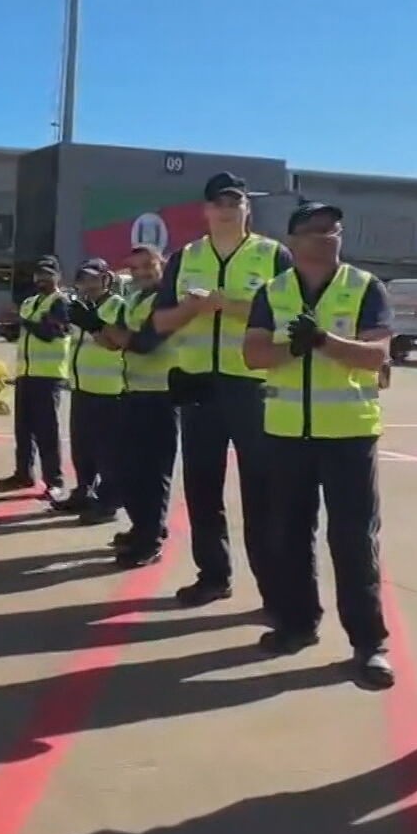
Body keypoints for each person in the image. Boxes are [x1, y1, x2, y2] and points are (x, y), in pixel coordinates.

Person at [244, 202, 395, 689]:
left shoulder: (365, 287)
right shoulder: (273, 292)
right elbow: (254, 354)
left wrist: (326, 341)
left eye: (334, 228)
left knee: (353, 542)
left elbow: (378, 357)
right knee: (289, 534)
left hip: (348, 433)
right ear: (293, 241)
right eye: (314, 229)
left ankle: (369, 644)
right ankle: (298, 622)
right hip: (288, 433)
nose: (328, 235)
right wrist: (297, 346)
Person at [150, 171, 294, 609]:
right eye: (219, 202)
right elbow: (160, 322)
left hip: (254, 387)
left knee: (263, 493)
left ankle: (276, 592)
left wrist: (223, 305)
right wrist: (192, 309)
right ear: (206, 210)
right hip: (198, 385)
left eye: (235, 202)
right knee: (202, 487)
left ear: (247, 208)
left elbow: (290, 317)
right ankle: (213, 574)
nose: (227, 209)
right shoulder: (185, 257)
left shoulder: (273, 256)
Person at [111, 245, 177, 568]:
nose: (140, 274)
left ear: (161, 264)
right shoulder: (135, 299)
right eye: (134, 268)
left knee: (152, 473)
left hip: (161, 394)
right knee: (129, 470)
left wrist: (107, 330)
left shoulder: (167, 300)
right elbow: (119, 340)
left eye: (147, 266)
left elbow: (144, 343)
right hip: (134, 390)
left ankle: (149, 540)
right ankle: (144, 527)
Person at [1, 254, 72, 497]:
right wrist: (10, 325)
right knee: (23, 429)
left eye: (47, 274)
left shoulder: (60, 302)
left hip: (48, 376)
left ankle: (55, 480)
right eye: (39, 274)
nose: (42, 279)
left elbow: (49, 333)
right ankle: (23, 473)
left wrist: (23, 321)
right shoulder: (30, 302)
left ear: (57, 277)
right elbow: (19, 333)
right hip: (25, 374)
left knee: (47, 431)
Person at [59, 258, 123, 519]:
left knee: (107, 451)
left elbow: (113, 343)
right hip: (82, 386)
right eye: (83, 279)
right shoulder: (80, 307)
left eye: (93, 278)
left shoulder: (116, 305)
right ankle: (84, 491)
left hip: (109, 389)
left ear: (106, 279)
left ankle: (108, 501)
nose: (88, 284)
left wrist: (92, 324)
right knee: (82, 447)